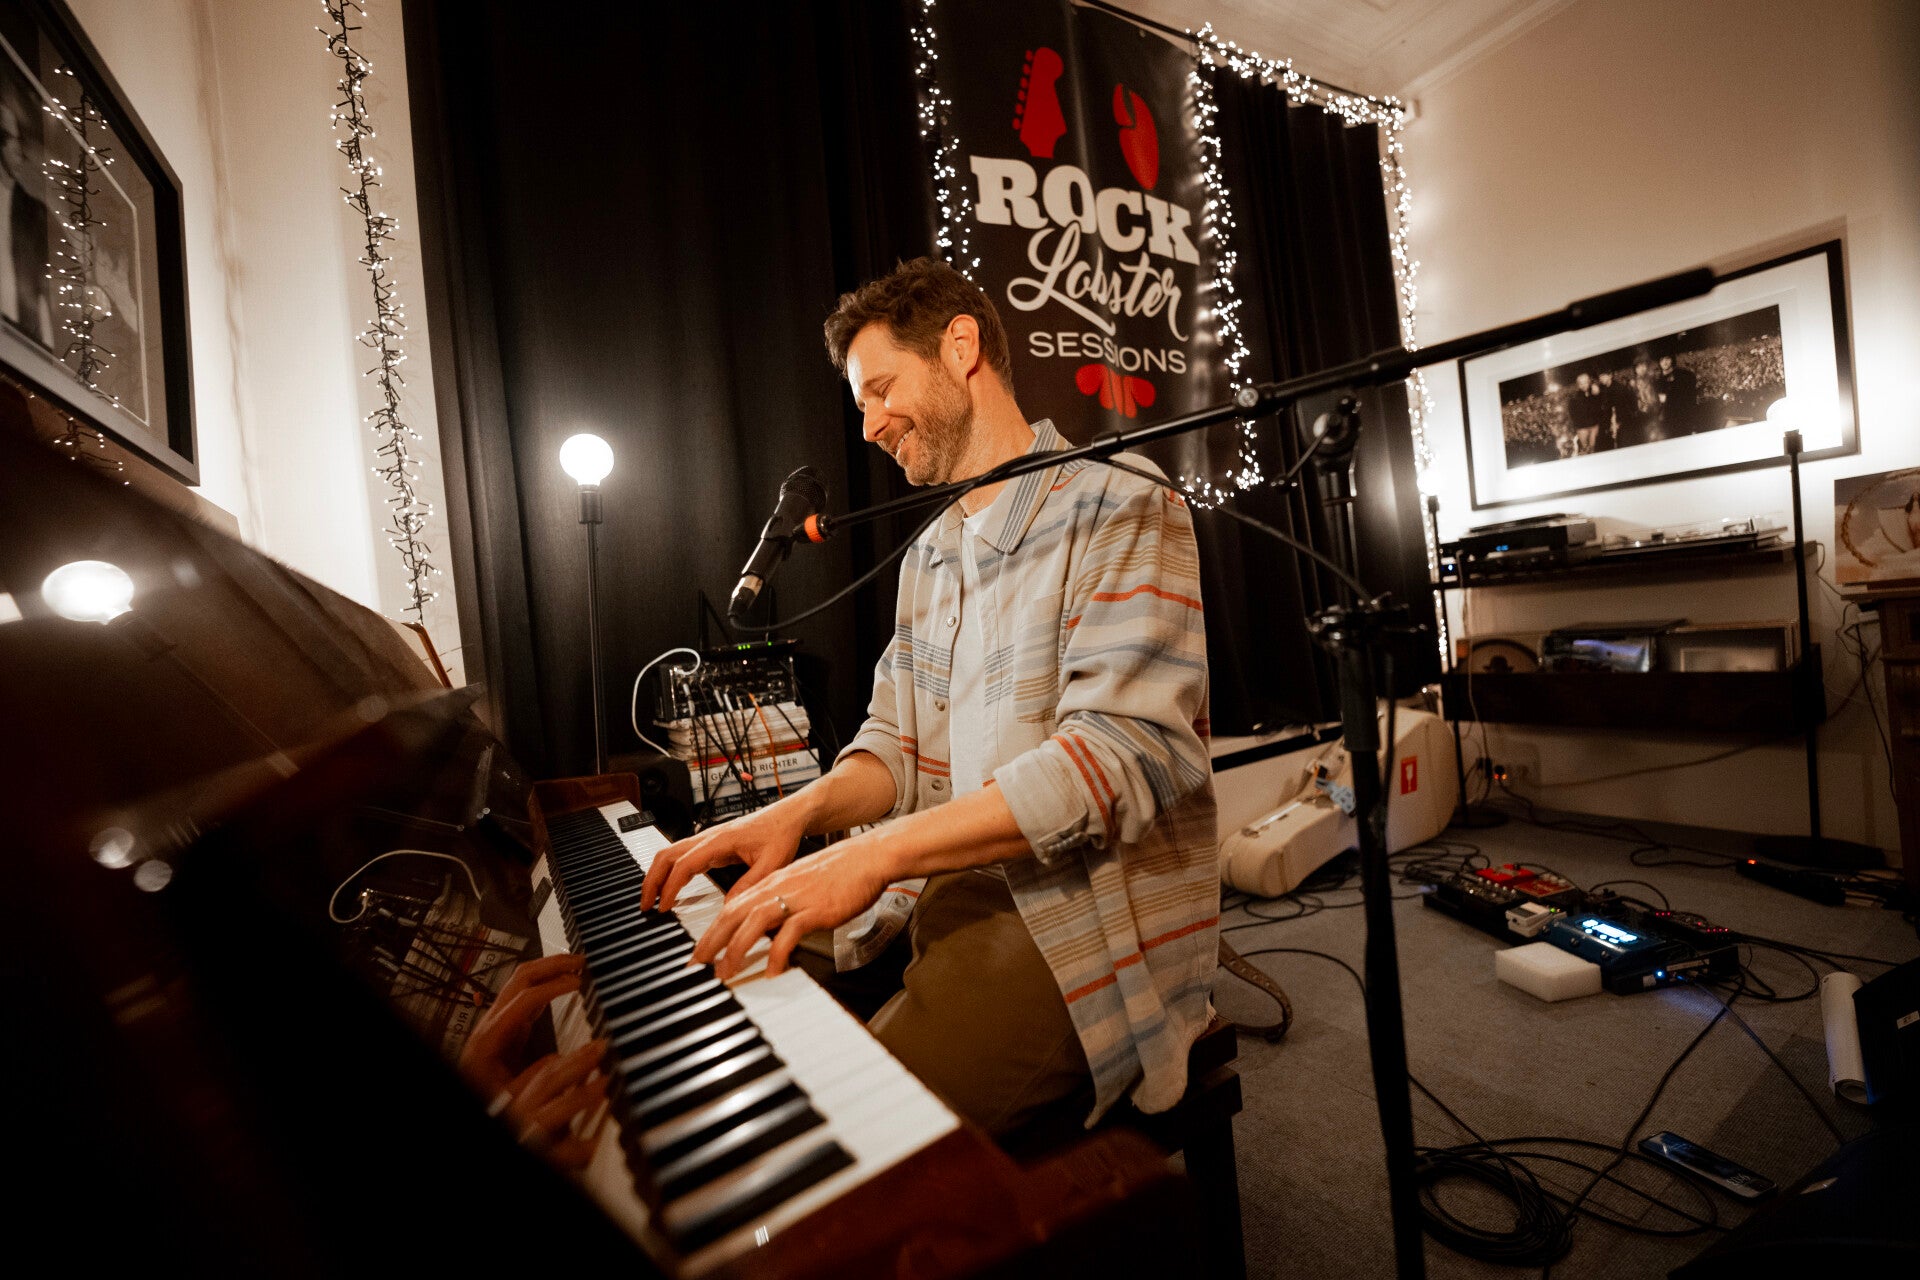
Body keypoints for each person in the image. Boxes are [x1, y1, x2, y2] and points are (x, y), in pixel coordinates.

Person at [641, 257, 1218, 1136]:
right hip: (931, 881)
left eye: (880, 390)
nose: (869, 425)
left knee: (847, 1132)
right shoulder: (930, 554)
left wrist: (875, 855)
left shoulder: (1121, 498)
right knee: (722, 980)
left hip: (1072, 909)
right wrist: (795, 816)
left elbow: (1118, 758)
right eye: (860, 403)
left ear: (960, 347)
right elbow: (892, 746)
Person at [1565, 371, 1608, 454]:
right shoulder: (1574, 398)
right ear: (1578, 385)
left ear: (1589, 382)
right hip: (1582, 428)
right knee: (1585, 450)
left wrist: (1596, 389)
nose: (1584, 385)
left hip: (1594, 426)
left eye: (1586, 382)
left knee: (1593, 449)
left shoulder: (1595, 393)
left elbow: (1603, 401)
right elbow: (1572, 414)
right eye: (1581, 383)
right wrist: (1578, 427)